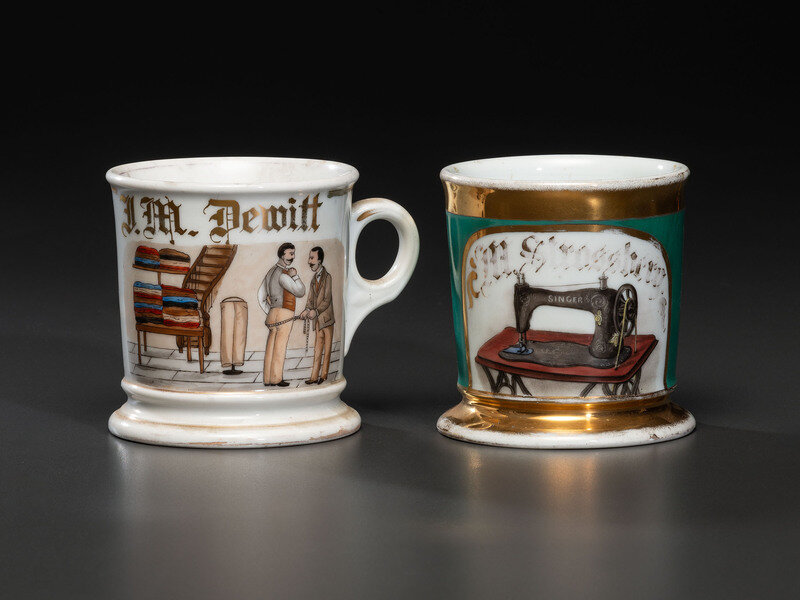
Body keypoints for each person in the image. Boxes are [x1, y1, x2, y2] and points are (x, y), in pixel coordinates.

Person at [258, 242, 305, 386]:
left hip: (273, 313)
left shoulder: (270, 272)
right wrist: (295, 276)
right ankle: (276, 379)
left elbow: (260, 296)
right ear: (282, 254)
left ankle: (267, 379)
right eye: (290, 254)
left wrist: (271, 311)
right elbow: (300, 291)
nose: (293, 257)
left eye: (293, 254)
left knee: (270, 346)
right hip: (285, 313)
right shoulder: (284, 274)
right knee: (280, 347)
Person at [300, 246, 334, 384]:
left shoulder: (328, 277)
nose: (309, 261)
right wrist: (306, 310)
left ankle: (324, 376)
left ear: (319, 260)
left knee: (327, 350)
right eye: (309, 258)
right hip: (318, 321)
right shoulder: (314, 279)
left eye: (312, 258)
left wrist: (316, 311)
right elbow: (310, 299)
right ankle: (314, 377)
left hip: (327, 319)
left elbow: (327, 299)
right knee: (317, 349)